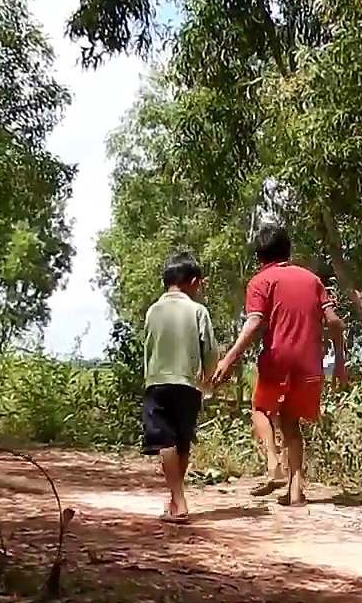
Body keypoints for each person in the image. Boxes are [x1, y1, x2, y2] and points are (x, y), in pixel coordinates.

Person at [211, 222, 347, 506]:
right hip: (311, 364)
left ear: (260, 257)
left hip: (278, 359)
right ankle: (295, 491)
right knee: (290, 420)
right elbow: (334, 321)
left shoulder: (261, 281)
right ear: (289, 250)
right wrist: (341, 362)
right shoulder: (312, 280)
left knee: (260, 409)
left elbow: (255, 322)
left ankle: (274, 464)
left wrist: (230, 357)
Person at [142, 251, 218, 524]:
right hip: (188, 383)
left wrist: (148, 377)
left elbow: (148, 347)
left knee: (165, 440)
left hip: (158, 380)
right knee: (181, 441)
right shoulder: (198, 311)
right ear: (193, 281)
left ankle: (178, 501)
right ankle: (176, 499)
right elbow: (209, 349)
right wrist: (207, 379)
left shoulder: (153, 311)